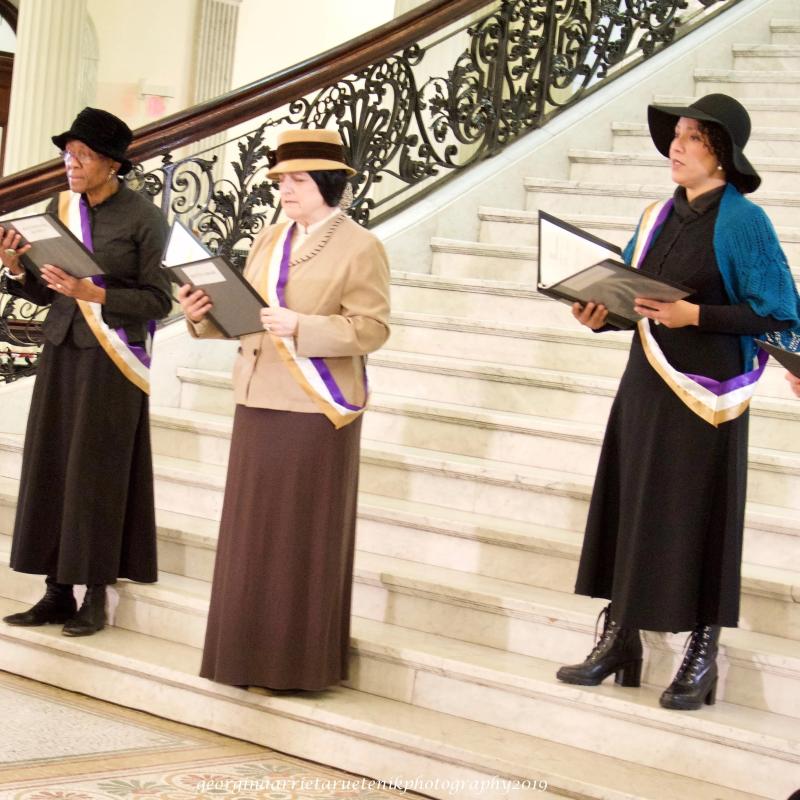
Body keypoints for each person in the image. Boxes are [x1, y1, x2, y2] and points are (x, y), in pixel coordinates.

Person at [555, 94, 800, 709]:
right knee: (631, 500)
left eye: (692, 138)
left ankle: (702, 650)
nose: (676, 147)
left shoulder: (744, 221)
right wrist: (599, 316)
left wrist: (698, 315)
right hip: (646, 382)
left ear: (722, 155)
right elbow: (637, 299)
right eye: (677, 136)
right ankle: (622, 638)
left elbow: (778, 312)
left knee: (701, 513)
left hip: (708, 394)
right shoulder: (655, 215)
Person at [179, 128, 390, 692]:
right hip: (257, 396)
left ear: (327, 182)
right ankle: (242, 658)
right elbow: (246, 316)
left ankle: (292, 665)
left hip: (315, 407)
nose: (284, 189)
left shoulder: (360, 245)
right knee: (251, 535)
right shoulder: (269, 239)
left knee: (297, 535)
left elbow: (372, 329)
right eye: (279, 179)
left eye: (297, 180)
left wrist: (304, 326)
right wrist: (200, 312)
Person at [1, 107, 172, 636]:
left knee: (96, 473)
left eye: (82, 155)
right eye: (67, 154)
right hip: (63, 350)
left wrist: (95, 293)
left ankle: (95, 593)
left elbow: (159, 300)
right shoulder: (60, 210)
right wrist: (14, 267)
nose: (70, 164)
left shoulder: (144, 218)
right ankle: (55, 590)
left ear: (112, 164)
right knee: (53, 466)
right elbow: (47, 288)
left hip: (112, 359)